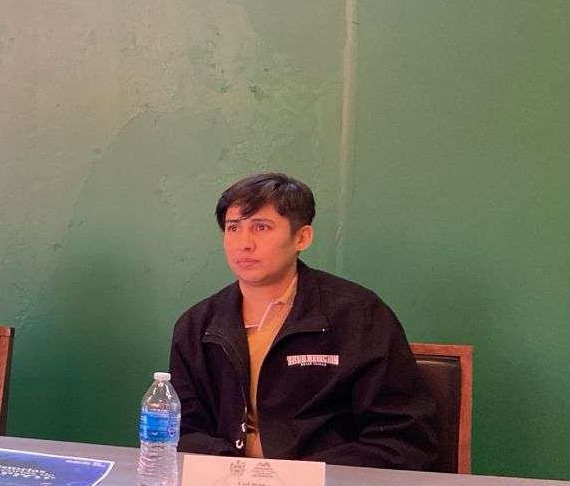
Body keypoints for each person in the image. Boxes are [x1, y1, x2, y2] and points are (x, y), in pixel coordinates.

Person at [168, 172, 439, 469]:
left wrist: (299, 477)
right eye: (233, 228)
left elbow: (402, 438)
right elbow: (182, 431)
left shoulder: (359, 314)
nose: (244, 243)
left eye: (261, 227)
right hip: (226, 484)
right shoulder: (197, 326)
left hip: (332, 485)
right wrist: (235, 472)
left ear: (302, 237)